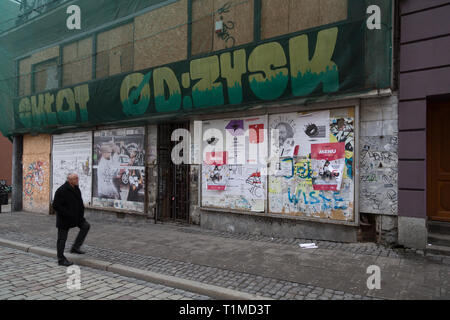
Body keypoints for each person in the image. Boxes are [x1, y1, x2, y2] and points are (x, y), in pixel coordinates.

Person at [52, 173, 90, 266]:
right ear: (69, 180)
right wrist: (67, 214)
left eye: (77, 178)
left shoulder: (76, 188)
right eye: (75, 179)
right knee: (62, 239)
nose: (77, 180)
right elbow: (55, 205)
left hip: (76, 218)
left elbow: (79, 202)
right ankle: (61, 259)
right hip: (64, 219)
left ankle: (75, 247)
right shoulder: (62, 190)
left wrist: (81, 215)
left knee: (86, 226)